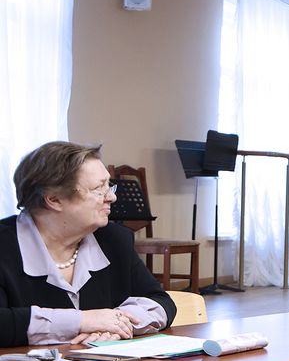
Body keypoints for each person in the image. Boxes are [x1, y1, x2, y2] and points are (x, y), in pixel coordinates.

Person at [0, 141, 176, 347]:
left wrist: (116, 323)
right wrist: (83, 321)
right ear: (54, 199)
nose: (112, 197)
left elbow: (161, 302)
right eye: (98, 189)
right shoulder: (5, 244)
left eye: (108, 185)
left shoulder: (114, 239)